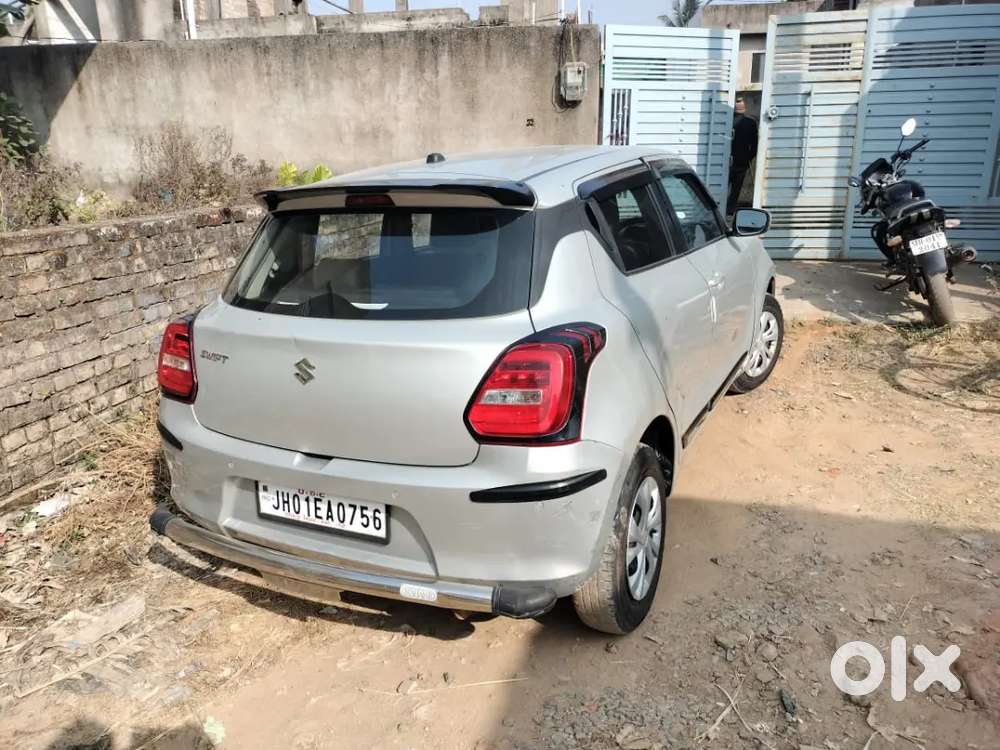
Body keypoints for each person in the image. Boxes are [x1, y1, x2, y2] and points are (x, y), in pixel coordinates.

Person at [727, 96, 759, 216]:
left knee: (723, 186)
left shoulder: (727, 121)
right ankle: (729, 211)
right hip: (742, 162)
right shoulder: (750, 123)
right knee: (736, 189)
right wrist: (747, 158)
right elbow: (755, 146)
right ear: (745, 109)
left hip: (725, 161)